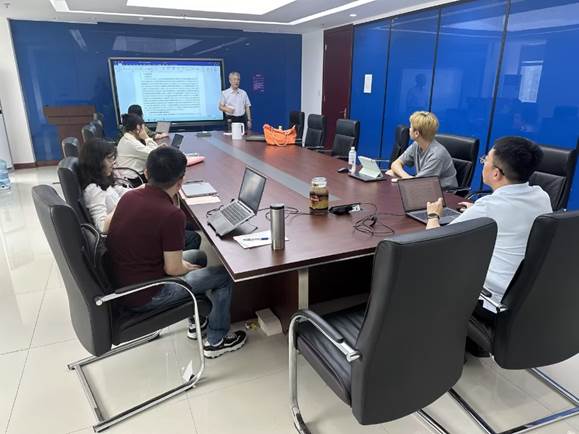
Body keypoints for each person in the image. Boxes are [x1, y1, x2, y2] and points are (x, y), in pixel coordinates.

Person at [106, 146, 246, 358]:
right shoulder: (171, 214)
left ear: (146, 172)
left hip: (125, 283)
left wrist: (183, 265)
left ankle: (197, 321)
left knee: (199, 257)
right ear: (180, 182)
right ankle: (217, 340)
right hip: (147, 294)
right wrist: (183, 267)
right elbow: (173, 269)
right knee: (225, 276)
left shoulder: (129, 197)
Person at [425, 136, 552, 326]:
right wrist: (476, 210)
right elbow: (512, 217)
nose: (483, 163)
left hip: (491, 301)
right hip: (527, 297)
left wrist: (433, 215)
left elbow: (434, 241)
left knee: (430, 264)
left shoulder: (489, 206)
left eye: (486, 160)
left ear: (496, 174)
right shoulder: (542, 196)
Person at [79, 138, 201, 249]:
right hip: (125, 236)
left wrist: (146, 188)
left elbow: (123, 192)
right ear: (96, 162)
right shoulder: (93, 189)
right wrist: (123, 204)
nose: (113, 163)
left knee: (184, 225)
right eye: (109, 159)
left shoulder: (104, 182)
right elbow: (101, 227)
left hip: (129, 223)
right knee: (192, 237)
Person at [386, 111, 458, 189]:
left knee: (395, 177)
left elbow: (418, 184)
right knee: (391, 173)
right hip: (425, 186)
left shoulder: (437, 155)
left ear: (416, 133)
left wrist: (404, 178)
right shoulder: (416, 145)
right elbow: (395, 164)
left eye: (411, 127)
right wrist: (406, 177)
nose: (409, 129)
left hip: (444, 192)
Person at [116, 113, 160, 186]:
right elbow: (156, 155)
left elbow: (153, 151)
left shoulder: (126, 139)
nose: (144, 129)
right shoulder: (132, 143)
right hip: (135, 180)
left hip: (129, 177)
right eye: (143, 127)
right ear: (138, 127)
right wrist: (146, 137)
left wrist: (159, 147)